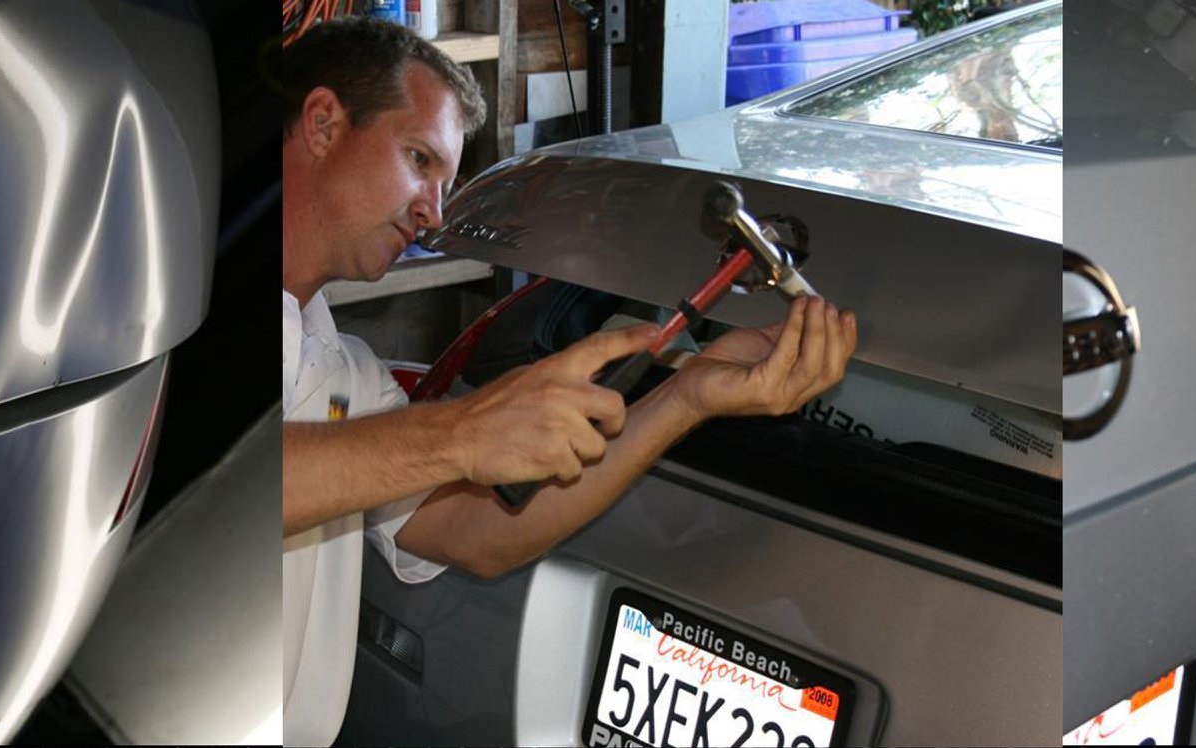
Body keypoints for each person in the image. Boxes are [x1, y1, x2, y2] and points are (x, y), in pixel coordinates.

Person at [279, 18, 857, 746]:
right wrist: (462, 434)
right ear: (324, 124)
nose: (431, 214)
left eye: (444, 182)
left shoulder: (343, 371)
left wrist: (689, 394)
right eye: (418, 158)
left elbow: (481, 534)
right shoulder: (179, 308)